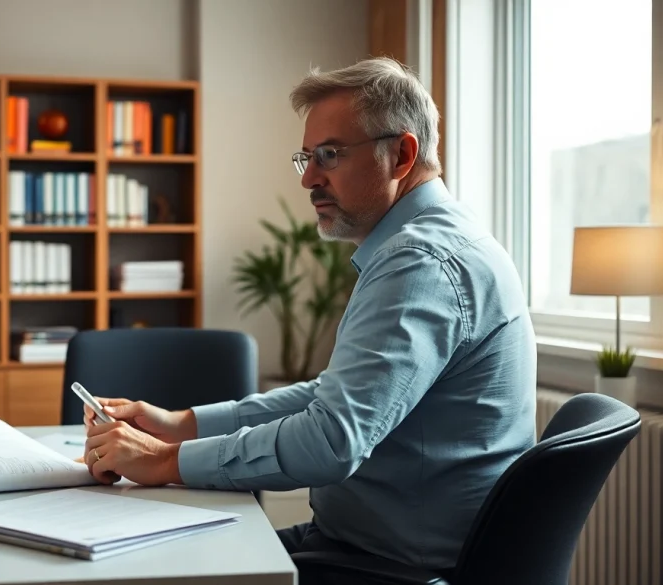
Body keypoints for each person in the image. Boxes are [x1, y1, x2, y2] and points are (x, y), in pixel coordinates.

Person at [82, 56, 536, 572]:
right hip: (366, 546)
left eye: (330, 155)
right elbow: (332, 397)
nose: (310, 179)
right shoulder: (439, 239)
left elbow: (330, 440)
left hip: (390, 568)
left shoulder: (420, 262)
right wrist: (181, 426)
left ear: (402, 154)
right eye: (307, 158)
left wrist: (164, 460)